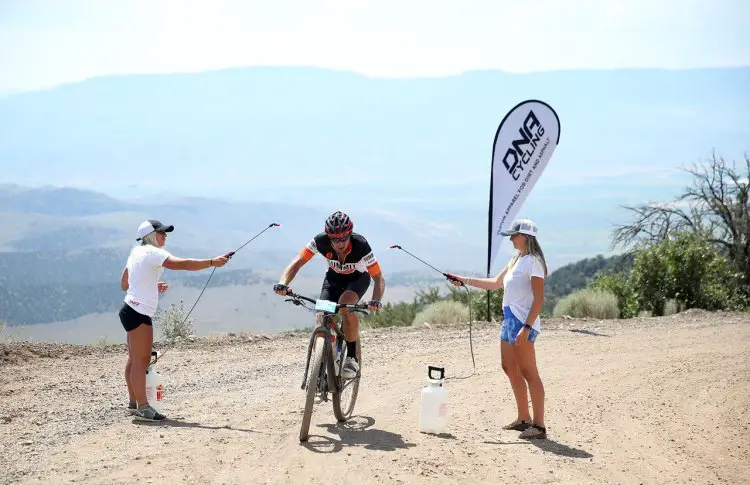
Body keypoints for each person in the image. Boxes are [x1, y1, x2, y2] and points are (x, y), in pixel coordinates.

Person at [119, 219, 231, 422]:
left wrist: (152, 286)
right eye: (161, 233)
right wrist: (212, 262)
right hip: (139, 312)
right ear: (151, 236)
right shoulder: (154, 253)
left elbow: (125, 283)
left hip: (129, 309)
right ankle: (143, 408)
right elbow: (183, 264)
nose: (165, 236)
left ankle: (133, 401)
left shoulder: (136, 251)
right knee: (141, 361)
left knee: (134, 359)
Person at [446, 218, 548, 439]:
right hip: (509, 319)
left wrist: (527, 327)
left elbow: (539, 299)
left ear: (525, 237)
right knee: (509, 367)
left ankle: (539, 426)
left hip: (523, 322)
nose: (511, 239)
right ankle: (523, 419)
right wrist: (464, 280)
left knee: (529, 372)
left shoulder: (534, 262)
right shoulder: (516, 259)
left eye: (514, 235)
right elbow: (495, 283)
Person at [273, 211, 385, 379]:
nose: (339, 243)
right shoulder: (320, 241)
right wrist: (283, 283)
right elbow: (297, 263)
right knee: (321, 316)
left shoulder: (361, 244)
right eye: (335, 239)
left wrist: (376, 300)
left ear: (350, 234)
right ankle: (324, 359)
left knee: (345, 305)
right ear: (328, 236)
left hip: (357, 280)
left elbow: (378, 277)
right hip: (333, 279)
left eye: (344, 238)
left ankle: (352, 357)